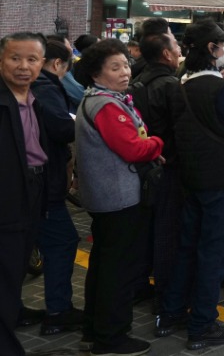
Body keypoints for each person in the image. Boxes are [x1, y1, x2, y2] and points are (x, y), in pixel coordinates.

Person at [157, 22, 224, 351]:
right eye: (221, 45)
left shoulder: (180, 84)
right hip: (220, 177)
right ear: (212, 49)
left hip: (192, 176)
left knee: (187, 246)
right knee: (214, 251)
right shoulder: (218, 88)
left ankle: (170, 313)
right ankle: (201, 325)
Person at [75, 38, 164, 356]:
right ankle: (111, 337)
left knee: (103, 264)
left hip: (106, 196)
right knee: (120, 269)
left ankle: (94, 329)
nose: (125, 71)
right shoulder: (108, 106)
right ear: (97, 73)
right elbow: (133, 147)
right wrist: (156, 142)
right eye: (116, 67)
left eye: (126, 63)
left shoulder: (100, 98)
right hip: (118, 198)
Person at [128, 29, 186, 319]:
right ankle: (166, 302)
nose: (179, 50)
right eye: (175, 46)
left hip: (143, 167)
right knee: (167, 235)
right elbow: (181, 131)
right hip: (168, 168)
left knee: (145, 231)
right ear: (165, 53)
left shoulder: (136, 82)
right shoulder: (171, 85)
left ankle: (139, 285)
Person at [0, 33, 48, 356]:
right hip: (6, 201)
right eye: (15, 58)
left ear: (42, 64)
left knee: (14, 273)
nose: (23, 66)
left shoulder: (34, 99)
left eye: (32, 60)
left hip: (30, 194)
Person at [32, 39, 81, 339]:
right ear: (57, 64)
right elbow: (61, 128)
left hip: (33, 183)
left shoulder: (29, 87)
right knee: (62, 241)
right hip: (43, 184)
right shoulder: (45, 87)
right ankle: (58, 312)